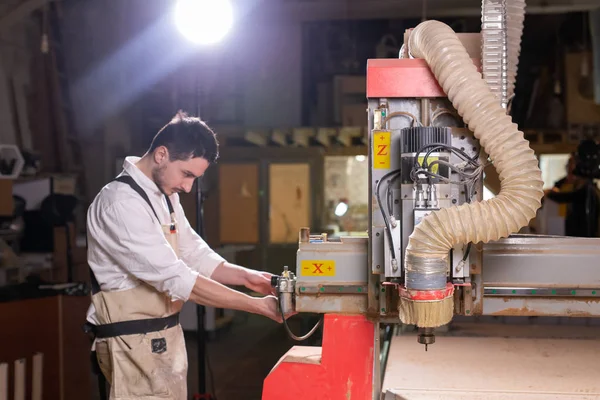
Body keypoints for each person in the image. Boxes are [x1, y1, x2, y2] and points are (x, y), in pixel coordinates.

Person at [84, 111, 285, 399]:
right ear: (161, 155)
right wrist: (259, 306)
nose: (188, 187)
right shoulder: (120, 203)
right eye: (187, 174)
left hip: (163, 338)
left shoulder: (164, 197)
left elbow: (194, 254)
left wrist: (248, 277)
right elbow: (175, 278)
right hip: (130, 345)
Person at [544, 152, 600, 237]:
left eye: (573, 164)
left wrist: (550, 194)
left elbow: (567, 197)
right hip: (566, 229)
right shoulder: (564, 183)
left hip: (583, 235)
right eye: (569, 164)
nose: (570, 168)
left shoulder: (588, 189)